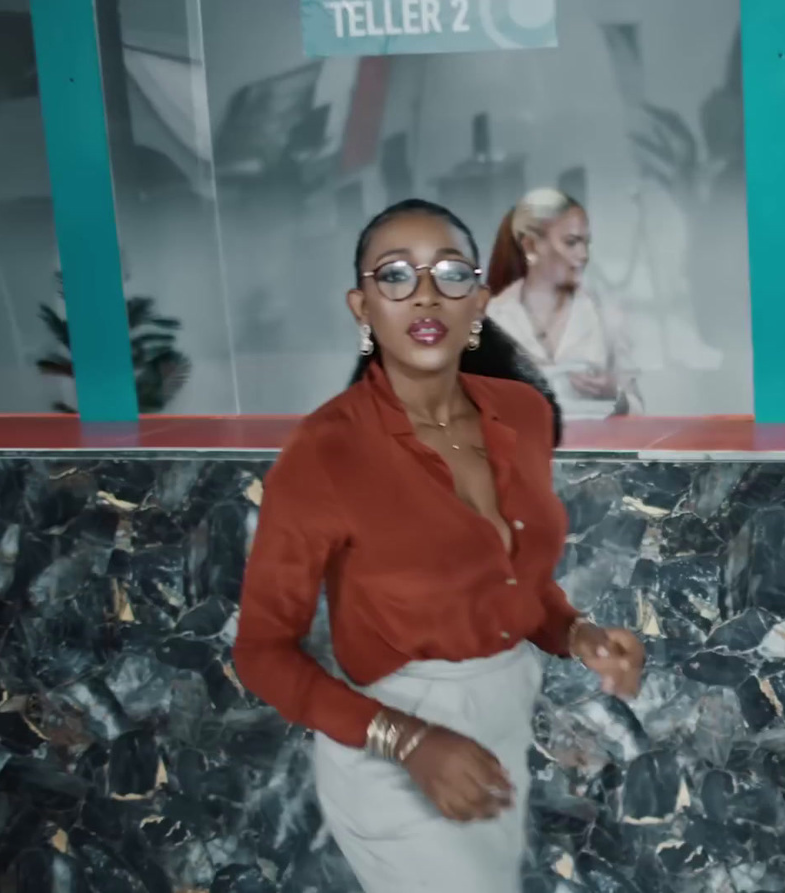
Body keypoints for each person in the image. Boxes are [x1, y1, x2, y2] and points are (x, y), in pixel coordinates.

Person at [233, 198, 646, 893]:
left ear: (480, 300)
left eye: (450, 272)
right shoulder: (325, 451)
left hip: (501, 730)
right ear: (361, 306)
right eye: (394, 275)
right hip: (391, 745)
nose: (425, 291)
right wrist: (408, 740)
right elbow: (261, 650)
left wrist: (578, 634)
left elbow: (514, 582)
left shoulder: (521, 414)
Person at [485, 188, 642, 419]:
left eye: (586, 243)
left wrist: (614, 393)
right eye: (571, 242)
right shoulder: (494, 318)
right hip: (518, 452)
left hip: (592, 451)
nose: (584, 255)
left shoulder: (603, 313)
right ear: (531, 246)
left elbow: (640, 411)